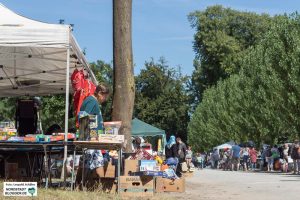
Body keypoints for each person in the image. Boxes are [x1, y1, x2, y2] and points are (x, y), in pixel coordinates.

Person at [76, 83, 110, 187]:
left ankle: (95, 185)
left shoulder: (92, 101)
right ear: (100, 93)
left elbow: (93, 120)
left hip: (93, 138)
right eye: (105, 96)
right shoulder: (92, 101)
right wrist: (93, 135)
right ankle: (80, 184)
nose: (105, 99)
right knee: (88, 161)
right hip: (90, 138)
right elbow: (83, 117)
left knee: (98, 161)